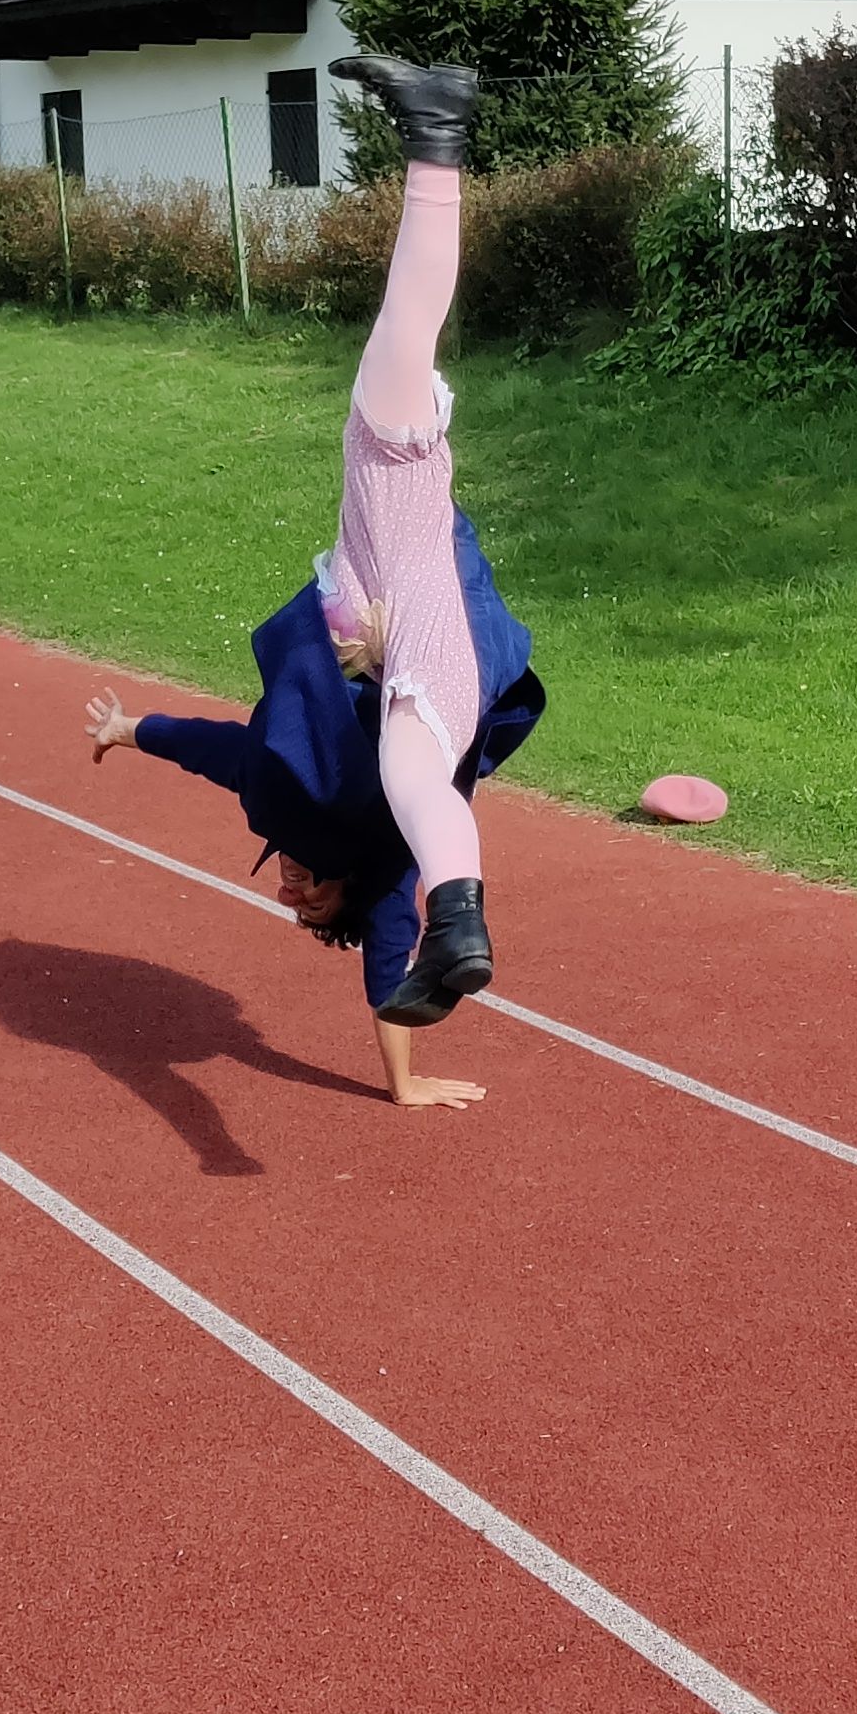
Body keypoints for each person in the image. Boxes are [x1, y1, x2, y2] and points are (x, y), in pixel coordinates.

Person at [78, 56, 537, 1109]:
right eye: (306, 897)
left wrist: (126, 731)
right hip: (414, 588)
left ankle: (462, 918)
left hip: (413, 646)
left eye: (286, 895)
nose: (287, 887)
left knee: (419, 783)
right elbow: (377, 955)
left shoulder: (295, 799)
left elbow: (206, 747)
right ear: (346, 889)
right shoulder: (359, 845)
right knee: (401, 336)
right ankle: (437, 131)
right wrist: (364, 671)